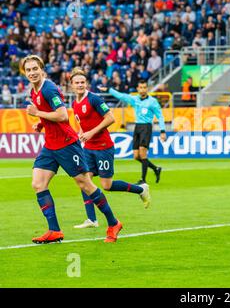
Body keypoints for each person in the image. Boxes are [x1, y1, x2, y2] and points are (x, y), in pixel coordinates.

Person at [22, 55, 122, 244]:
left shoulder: (49, 88)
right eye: (28, 70)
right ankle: (54, 231)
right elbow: (51, 115)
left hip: (67, 144)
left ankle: (113, 223)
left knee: (85, 184)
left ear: (42, 69)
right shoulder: (34, 91)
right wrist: (41, 124)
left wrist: (37, 114)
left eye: (35, 69)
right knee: (38, 184)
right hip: (51, 145)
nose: (32, 73)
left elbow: (61, 116)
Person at [70, 67, 151, 229]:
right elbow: (83, 124)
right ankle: (92, 219)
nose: (80, 85)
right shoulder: (74, 103)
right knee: (84, 181)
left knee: (106, 185)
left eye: (82, 82)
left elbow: (110, 118)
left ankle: (140, 189)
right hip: (88, 148)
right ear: (71, 85)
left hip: (103, 146)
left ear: (86, 84)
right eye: (77, 83)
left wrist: (91, 133)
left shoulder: (94, 99)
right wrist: (81, 135)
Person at [98, 80, 166, 184]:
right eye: (141, 87)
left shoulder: (152, 101)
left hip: (146, 127)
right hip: (137, 127)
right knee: (136, 156)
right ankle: (156, 169)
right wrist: (108, 89)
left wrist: (162, 131)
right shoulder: (134, 99)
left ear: (147, 88)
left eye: (144, 87)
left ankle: (143, 180)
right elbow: (121, 96)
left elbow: (160, 116)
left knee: (143, 154)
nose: (142, 90)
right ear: (138, 89)